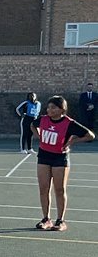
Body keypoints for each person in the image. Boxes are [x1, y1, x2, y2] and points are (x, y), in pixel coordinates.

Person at [32, 96, 95, 232]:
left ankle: (60, 220)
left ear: (62, 109)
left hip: (60, 158)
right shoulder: (43, 119)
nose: (50, 110)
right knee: (43, 189)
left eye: (53, 107)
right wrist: (38, 136)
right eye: (48, 107)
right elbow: (32, 125)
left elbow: (90, 135)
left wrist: (72, 141)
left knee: (59, 190)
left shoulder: (69, 123)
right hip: (43, 156)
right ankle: (46, 219)